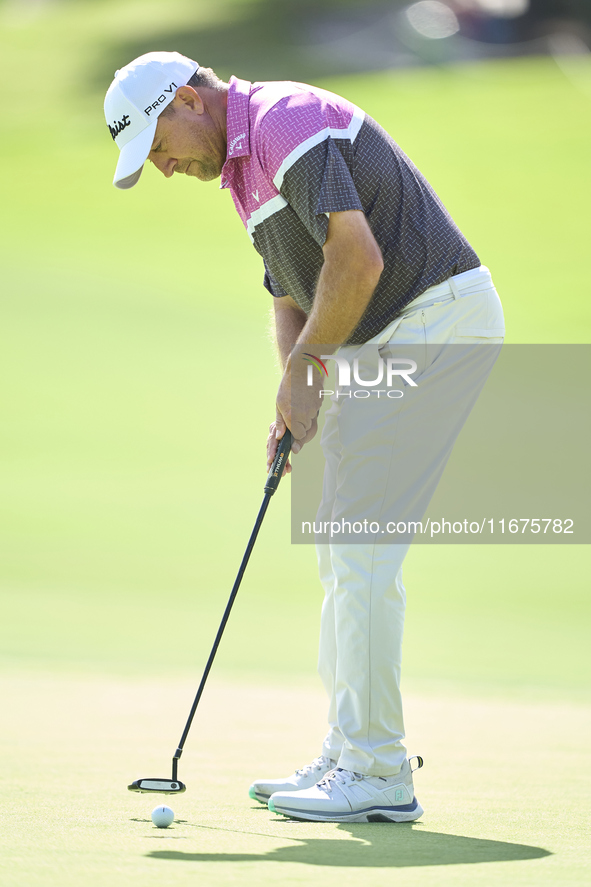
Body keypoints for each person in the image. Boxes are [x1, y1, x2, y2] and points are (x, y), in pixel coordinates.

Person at [104, 51, 504, 823]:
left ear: (187, 99)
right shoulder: (242, 174)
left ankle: (378, 768)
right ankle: (349, 749)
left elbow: (356, 257)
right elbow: (295, 290)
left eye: (159, 148)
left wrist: (310, 368)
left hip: (434, 321)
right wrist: (295, 390)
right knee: (342, 549)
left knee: (358, 546)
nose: (163, 169)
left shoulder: (283, 120)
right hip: (383, 338)